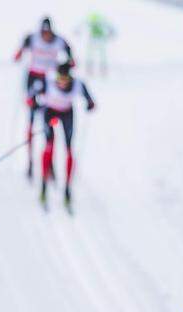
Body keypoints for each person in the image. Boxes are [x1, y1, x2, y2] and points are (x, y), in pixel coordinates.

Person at [14, 17, 74, 179]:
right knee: (32, 119)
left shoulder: (59, 41)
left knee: (49, 121)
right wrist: (19, 52)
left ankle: (49, 164)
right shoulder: (32, 38)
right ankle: (30, 161)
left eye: (48, 33)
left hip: (50, 81)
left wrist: (69, 63)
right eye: (43, 33)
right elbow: (19, 53)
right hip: (34, 78)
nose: (46, 36)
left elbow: (70, 56)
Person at [33, 62, 95, 208]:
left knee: (69, 149)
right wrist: (34, 103)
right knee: (49, 145)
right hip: (50, 113)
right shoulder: (47, 82)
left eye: (65, 80)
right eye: (59, 80)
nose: (62, 84)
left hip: (67, 113)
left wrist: (90, 104)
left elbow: (90, 99)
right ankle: (44, 184)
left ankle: (67, 188)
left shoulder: (78, 84)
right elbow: (33, 96)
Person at [77, 11, 116, 76]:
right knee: (92, 54)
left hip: (99, 39)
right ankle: (91, 69)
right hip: (94, 39)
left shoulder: (99, 20)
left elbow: (109, 26)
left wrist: (111, 32)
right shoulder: (94, 19)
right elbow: (82, 24)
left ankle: (101, 70)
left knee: (100, 55)